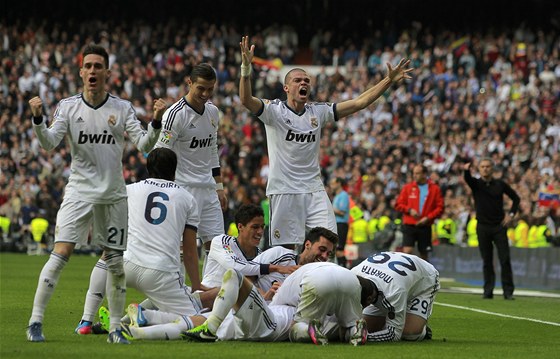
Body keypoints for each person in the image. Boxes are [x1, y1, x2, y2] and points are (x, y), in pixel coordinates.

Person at [26, 44, 167, 344]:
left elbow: (144, 145)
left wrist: (155, 121)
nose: (92, 71)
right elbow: (49, 143)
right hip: (78, 192)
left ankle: (116, 329)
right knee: (60, 253)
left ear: (107, 72)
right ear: (81, 72)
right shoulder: (67, 107)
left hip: (113, 195)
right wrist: (38, 119)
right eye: (87, 66)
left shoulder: (122, 108)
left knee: (115, 262)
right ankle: (35, 321)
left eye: (97, 66)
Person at [239, 35, 413, 248]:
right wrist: (246, 69)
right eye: (298, 80)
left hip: (314, 190)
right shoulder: (274, 111)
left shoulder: (318, 112)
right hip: (284, 190)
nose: (304, 83)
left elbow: (360, 102)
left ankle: (310, 277)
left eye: (307, 81)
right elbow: (246, 100)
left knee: (328, 242)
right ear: (286, 88)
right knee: (283, 252)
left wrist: (388, 80)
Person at [74, 147, 215, 336]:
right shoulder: (187, 199)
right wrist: (196, 284)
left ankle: (86, 320)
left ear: (148, 168)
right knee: (198, 320)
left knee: (107, 256)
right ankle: (145, 316)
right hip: (161, 273)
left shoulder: (129, 190)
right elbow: (189, 251)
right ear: (175, 169)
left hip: (126, 265)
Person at [124, 227, 339, 342]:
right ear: (308, 244)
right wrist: (265, 293)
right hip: (247, 304)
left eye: (329, 253)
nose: (325, 256)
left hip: (264, 315)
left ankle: (142, 322)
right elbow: (249, 274)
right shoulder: (280, 255)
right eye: (322, 249)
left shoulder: (319, 277)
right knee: (194, 320)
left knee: (198, 320)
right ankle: (142, 319)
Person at [155, 63, 227, 260]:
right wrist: (166, 189)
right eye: (201, 88)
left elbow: (212, 150)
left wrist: (219, 186)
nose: (205, 93)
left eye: (210, 89)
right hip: (183, 188)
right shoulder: (175, 114)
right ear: (189, 83)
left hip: (208, 189)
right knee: (177, 248)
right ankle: (174, 290)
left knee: (217, 248)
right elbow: (160, 153)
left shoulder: (212, 112)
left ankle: (211, 289)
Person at [201, 204, 299, 289]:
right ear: (240, 227)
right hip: (205, 299)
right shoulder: (222, 241)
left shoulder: (261, 256)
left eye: (262, 227)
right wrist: (275, 268)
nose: (260, 232)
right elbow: (235, 268)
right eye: (255, 227)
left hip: (234, 306)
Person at [350, 251, 440, 342]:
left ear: (369, 299)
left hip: (423, 280)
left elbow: (394, 334)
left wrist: (366, 337)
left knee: (409, 334)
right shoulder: (352, 275)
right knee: (368, 327)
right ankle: (397, 318)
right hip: (394, 276)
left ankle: (422, 329)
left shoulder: (394, 292)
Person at [463, 159, 520, 300]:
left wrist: (511, 214)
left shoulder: (500, 184)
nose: (485, 169)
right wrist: (466, 170)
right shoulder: (476, 184)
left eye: (488, 166)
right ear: (479, 169)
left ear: (492, 168)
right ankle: (488, 291)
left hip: (499, 226)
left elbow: (516, 198)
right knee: (486, 260)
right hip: (482, 226)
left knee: (504, 259)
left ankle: (508, 292)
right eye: (482, 167)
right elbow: (468, 179)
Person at [394, 164, 444, 261]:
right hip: (409, 224)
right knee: (407, 251)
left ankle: (424, 275)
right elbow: (398, 204)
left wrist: (428, 218)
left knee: (424, 254)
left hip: (425, 225)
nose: (415, 176)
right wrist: (409, 210)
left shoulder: (434, 189)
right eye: (414, 173)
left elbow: (440, 207)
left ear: (424, 174)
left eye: (417, 173)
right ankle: (406, 274)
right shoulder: (407, 188)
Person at [330, 177, 350, 267]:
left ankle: (344, 267)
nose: (331, 185)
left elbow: (342, 212)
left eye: (333, 183)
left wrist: (330, 209)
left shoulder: (343, 195)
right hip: (336, 224)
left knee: (340, 249)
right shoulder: (337, 196)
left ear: (339, 183)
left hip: (341, 224)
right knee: (336, 249)